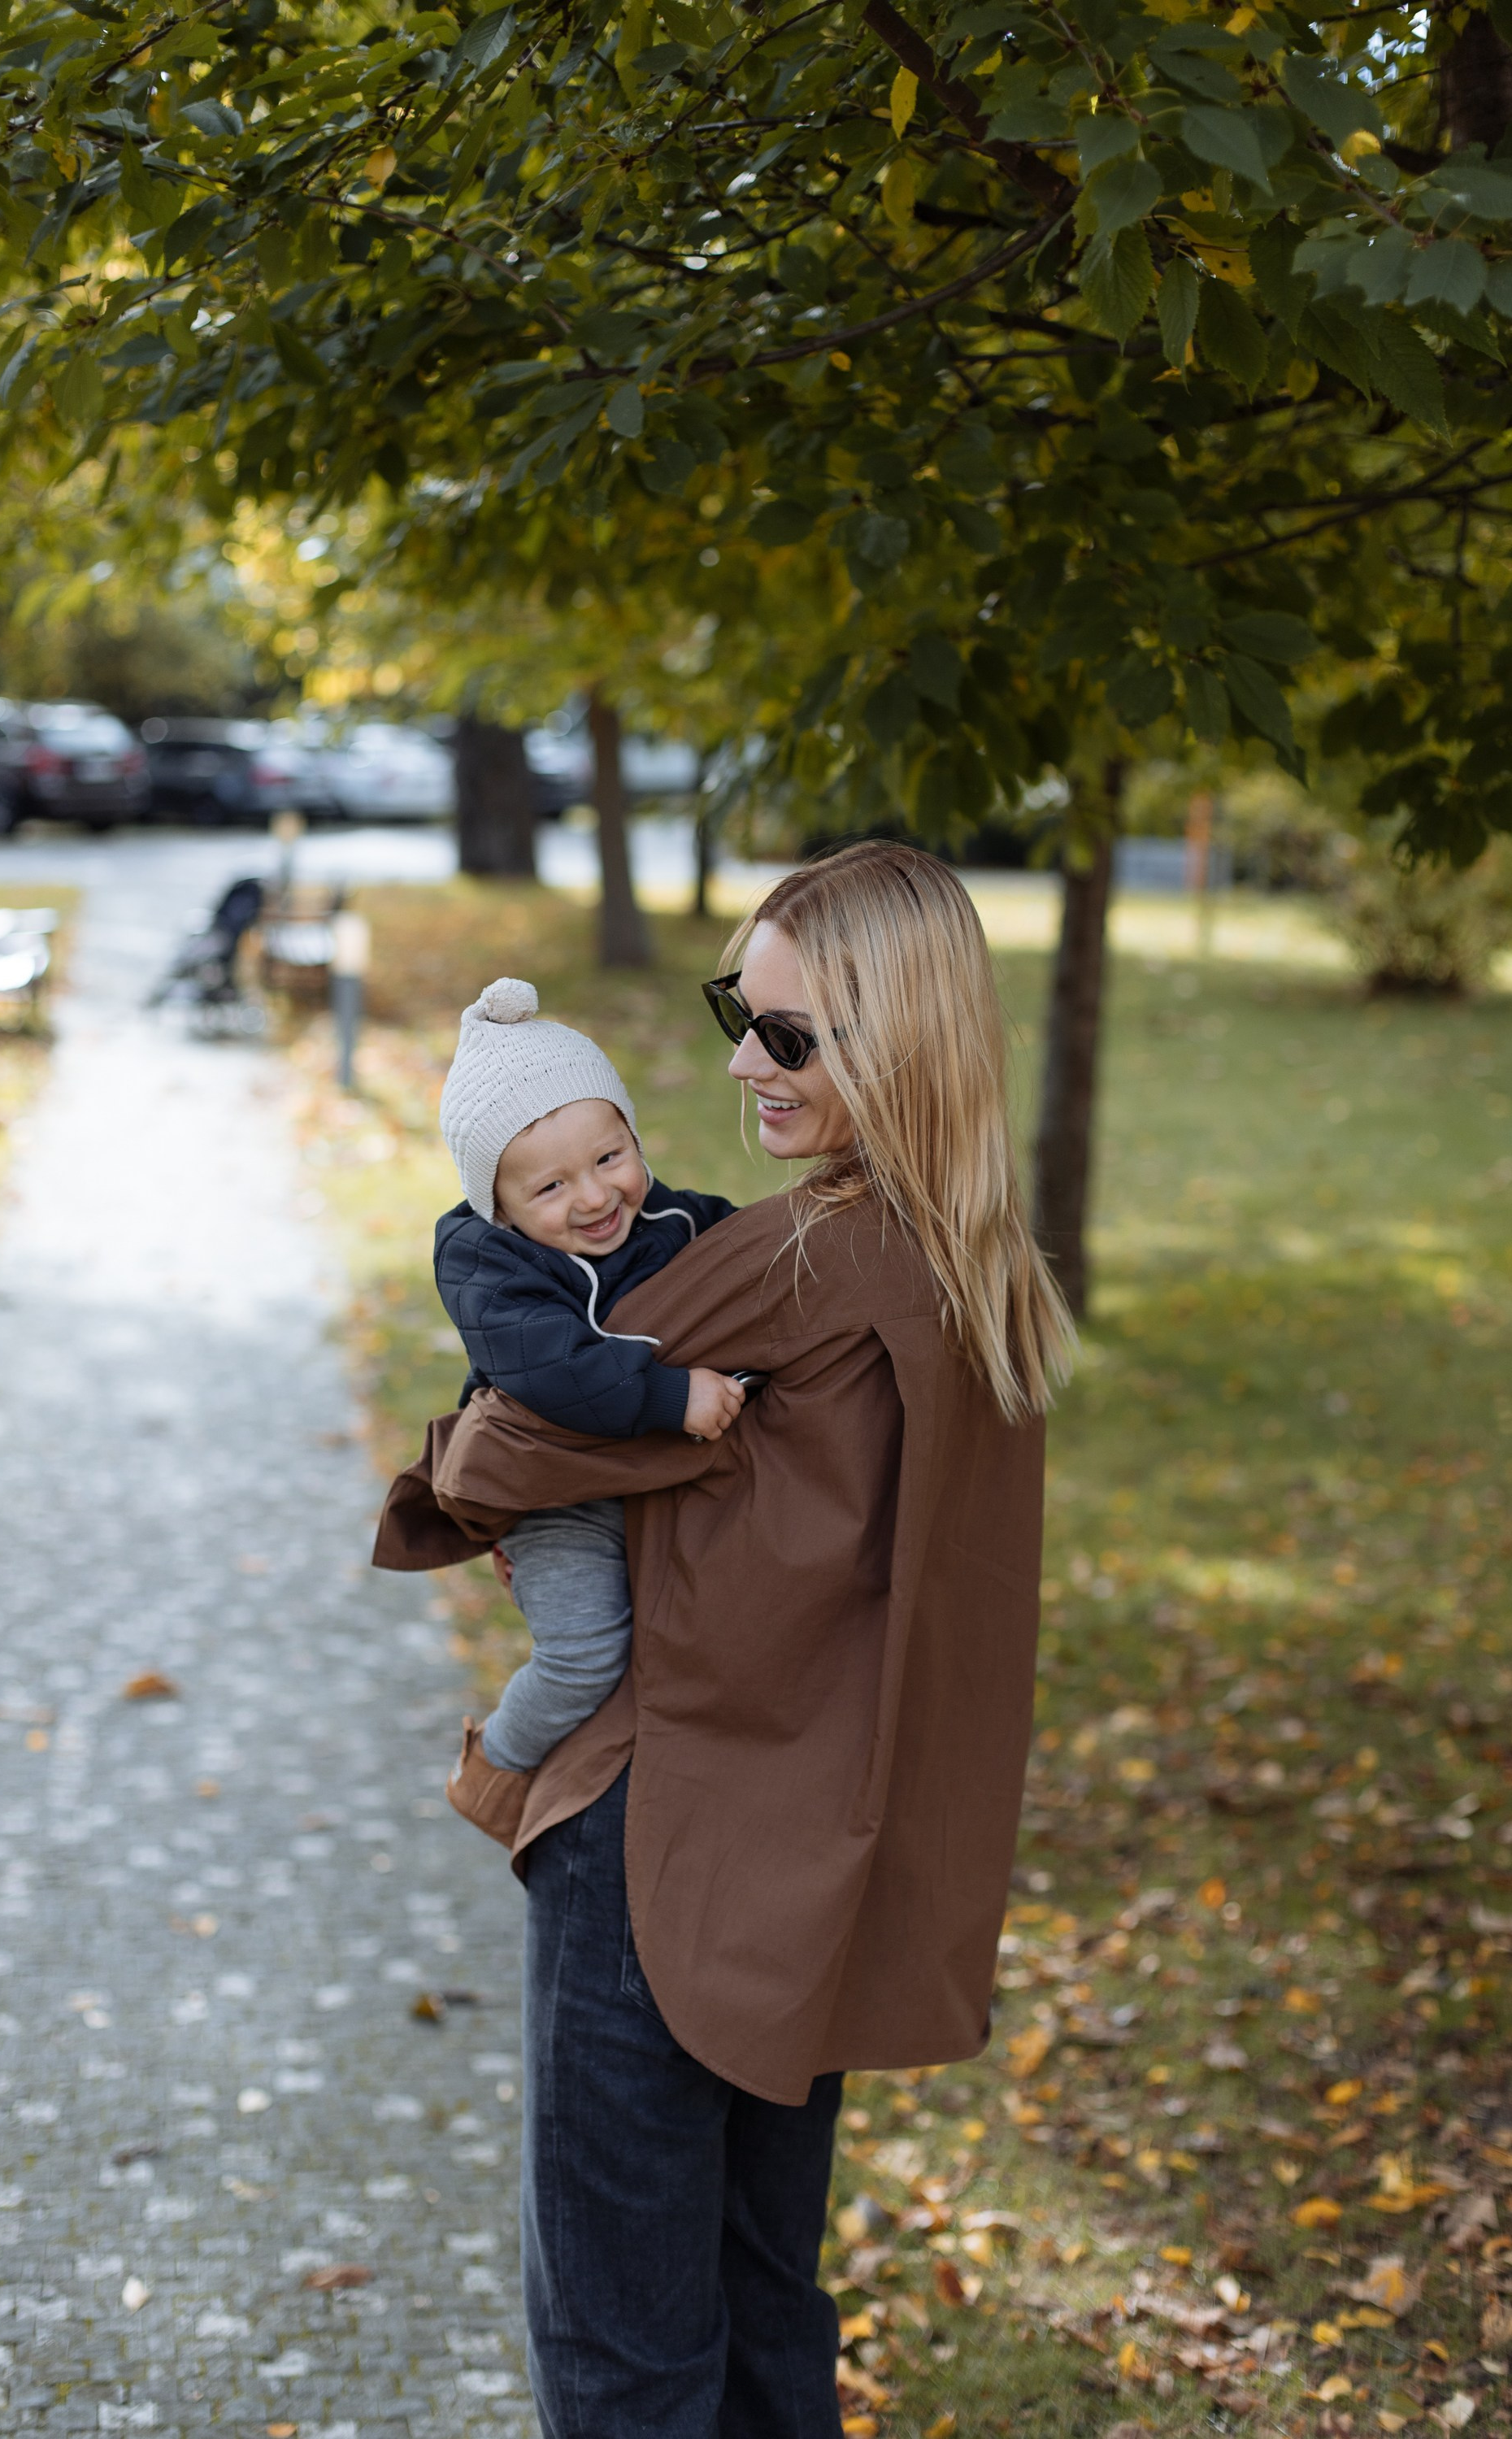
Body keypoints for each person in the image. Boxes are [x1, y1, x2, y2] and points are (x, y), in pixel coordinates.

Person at [375, 842, 1074, 2439]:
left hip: (662, 1827)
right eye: (735, 1016)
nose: (743, 1063)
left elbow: (496, 1446)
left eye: (790, 1036)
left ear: (892, 1039)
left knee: (625, 2338)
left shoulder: (786, 1264)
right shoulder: (971, 1260)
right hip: (817, 1837)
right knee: (765, 2307)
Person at [432, 976, 743, 1838]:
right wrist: (669, 1393)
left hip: (645, 1479)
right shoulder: (487, 1270)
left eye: (610, 1159)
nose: (595, 1198)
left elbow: (752, 1258)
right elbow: (559, 1373)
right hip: (555, 1494)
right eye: (551, 1188)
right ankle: (496, 1764)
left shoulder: (671, 1218)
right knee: (583, 1657)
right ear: (498, 1207)